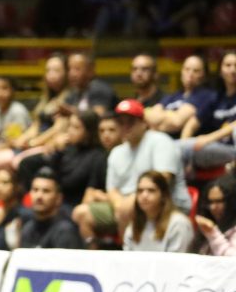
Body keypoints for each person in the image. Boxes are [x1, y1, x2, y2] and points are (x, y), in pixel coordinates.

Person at [72, 99, 191, 249]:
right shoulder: (117, 152)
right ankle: (95, 255)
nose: (125, 126)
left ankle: (128, 254)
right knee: (81, 213)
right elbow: (112, 190)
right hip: (126, 206)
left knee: (127, 208)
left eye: (130, 122)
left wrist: (126, 207)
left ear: (143, 123)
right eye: (121, 123)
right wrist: (119, 206)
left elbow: (163, 179)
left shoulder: (160, 141)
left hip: (165, 203)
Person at [179, 50, 236, 172]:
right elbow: (192, 124)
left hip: (231, 148)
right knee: (175, 148)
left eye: (235, 65)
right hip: (216, 148)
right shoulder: (215, 97)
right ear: (220, 70)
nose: (232, 70)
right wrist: (183, 146)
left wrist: (209, 138)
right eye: (228, 65)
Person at [145, 54, 216, 138]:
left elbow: (176, 122)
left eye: (196, 71)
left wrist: (163, 116)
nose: (190, 74)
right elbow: (148, 117)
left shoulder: (206, 95)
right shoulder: (173, 96)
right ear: (182, 71)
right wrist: (171, 115)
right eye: (187, 69)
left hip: (185, 142)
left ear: (204, 75)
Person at [122, 171, 192, 252]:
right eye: (140, 191)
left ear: (163, 195)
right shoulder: (133, 226)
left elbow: (177, 259)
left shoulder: (178, 224)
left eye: (151, 190)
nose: (144, 195)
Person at [20, 169, 83, 249]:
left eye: (46, 191)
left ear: (58, 198)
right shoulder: (27, 229)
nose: (39, 196)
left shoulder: (65, 231)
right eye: (35, 190)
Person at [196, 175, 236, 257]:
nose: (212, 207)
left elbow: (233, 260)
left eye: (219, 201)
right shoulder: (209, 223)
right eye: (210, 202)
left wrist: (213, 234)